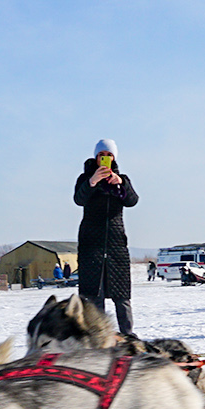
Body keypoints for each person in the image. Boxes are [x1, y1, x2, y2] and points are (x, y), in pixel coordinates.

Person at [73, 138, 140, 336]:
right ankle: (98, 335)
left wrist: (121, 184)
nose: (105, 159)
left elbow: (133, 201)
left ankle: (128, 335)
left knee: (122, 294)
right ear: (96, 157)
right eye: (102, 155)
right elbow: (78, 199)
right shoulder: (85, 178)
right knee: (94, 293)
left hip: (116, 243)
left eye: (109, 155)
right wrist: (92, 182)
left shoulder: (121, 180)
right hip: (90, 242)